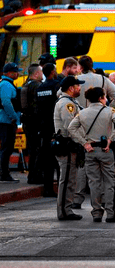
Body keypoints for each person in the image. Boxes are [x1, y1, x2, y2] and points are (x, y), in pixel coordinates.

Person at [68, 87, 115, 223]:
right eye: (105, 97)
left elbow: (71, 128)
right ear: (101, 98)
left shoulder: (82, 113)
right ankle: (111, 213)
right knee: (110, 182)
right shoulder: (109, 111)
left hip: (90, 151)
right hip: (105, 150)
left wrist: (83, 143)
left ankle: (97, 213)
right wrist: (111, 138)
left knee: (94, 183)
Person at [54, 76, 85, 220]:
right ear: (71, 88)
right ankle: (64, 211)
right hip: (67, 146)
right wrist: (83, 141)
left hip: (71, 146)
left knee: (70, 180)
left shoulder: (71, 102)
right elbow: (71, 127)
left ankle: (67, 209)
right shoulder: (67, 104)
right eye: (78, 86)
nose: (80, 88)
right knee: (66, 180)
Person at [34, 63, 60, 196]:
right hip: (55, 127)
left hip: (44, 127)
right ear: (52, 71)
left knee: (47, 160)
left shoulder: (40, 88)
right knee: (59, 160)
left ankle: (47, 188)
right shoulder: (56, 85)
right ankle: (61, 190)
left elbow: (37, 108)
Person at [0, 63, 23, 183]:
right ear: (9, 73)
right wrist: (14, 117)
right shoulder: (5, 85)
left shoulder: (7, 84)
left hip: (7, 120)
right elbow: (6, 102)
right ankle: (4, 173)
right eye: (16, 72)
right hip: (6, 121)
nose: (17, 74)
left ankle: (4, 172)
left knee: (7, 147)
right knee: (7, 147)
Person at [20, 64, 43, 184]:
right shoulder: (37, 86)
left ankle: (32, 175)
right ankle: (35, 175)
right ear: (36, 73)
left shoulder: (25, 84)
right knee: (36, 149)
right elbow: (37, 106)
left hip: (27, 121)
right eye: (41, 72)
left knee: (31, 149)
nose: (42, 75)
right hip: (34, 122)